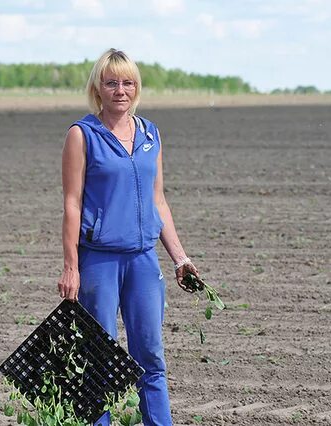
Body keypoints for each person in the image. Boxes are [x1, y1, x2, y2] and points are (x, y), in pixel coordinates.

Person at [58, 48, 199, 426]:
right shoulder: (82, 135)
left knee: (151, 357)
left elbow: (158, 201)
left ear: (136, 87)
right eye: (112, 82)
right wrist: (71, 267)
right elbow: (72, 204)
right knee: (99, 359)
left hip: (142, 260)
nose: (121, 90)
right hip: (99, 260)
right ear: (98, 88)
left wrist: (180, 258)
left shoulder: (150, 133)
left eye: (128, 82)